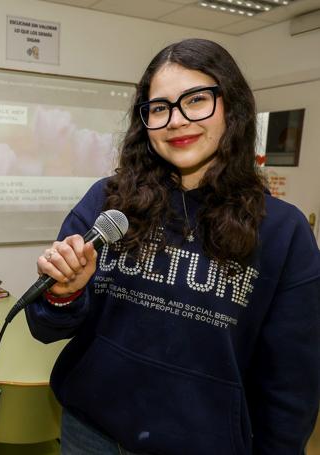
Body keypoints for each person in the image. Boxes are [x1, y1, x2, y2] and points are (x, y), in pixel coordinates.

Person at [25, 38, 320, 455]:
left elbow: (292, 385)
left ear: (231, 107)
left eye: (196, 100)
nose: (176, 121)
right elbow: (44, 327)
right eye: (160, 108)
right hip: (90, 435)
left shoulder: (284, 233)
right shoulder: (106, 202)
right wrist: (62, 292)